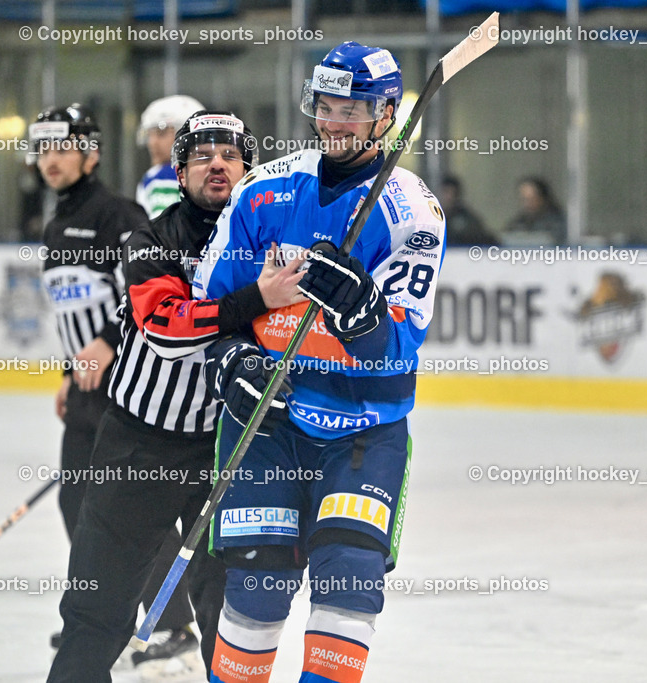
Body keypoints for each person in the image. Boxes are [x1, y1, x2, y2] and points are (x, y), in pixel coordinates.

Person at [192, 41, 445, 683]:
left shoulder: (413, 212)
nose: (334, 121)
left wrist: (362, 316)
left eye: (352, 109)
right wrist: (231, 361)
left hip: (363, 427)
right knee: (257, 586)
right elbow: (212, 304)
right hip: (268, 428)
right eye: (326, 105)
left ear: (386, 115)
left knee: (349, 583)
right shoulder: (264, 191)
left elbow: (398, 347)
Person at [47, 110, 306, 682]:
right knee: (98, 613)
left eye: (231, 155)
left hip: (227, 450)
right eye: (201, 156)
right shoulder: (151, 238)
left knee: (232, 619)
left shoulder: (276, 242)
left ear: (249, 169)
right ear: (180, 172)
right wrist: (256, 299)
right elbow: (166, 329)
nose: (217, 164)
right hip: (140, 448)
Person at [31, 104, 195, 669]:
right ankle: (101, 620)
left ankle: (172, 625)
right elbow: (71, 306)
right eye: (43, 148)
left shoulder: (116, 213)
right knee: (78, 499)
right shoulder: (56, 222)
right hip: (85, 383)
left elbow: (144, 290)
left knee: (130, 508)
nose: (50, 159)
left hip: (126, 380)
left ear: (91, 153)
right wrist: (67, 371)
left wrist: (104, 340)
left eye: (63, 146)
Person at [136, 94, 205, 218]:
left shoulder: (162, 176)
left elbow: (162, 232)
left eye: (161, 133)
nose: (152, 142)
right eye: (150, 135)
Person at [501, 176, 566, 246]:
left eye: (532, 199)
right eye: (524, 199)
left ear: (542, 198)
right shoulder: (518, 224)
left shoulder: (558, 223)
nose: (527, 204)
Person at [439, 174, 498, 247]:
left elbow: (482, 237)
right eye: (445, 192)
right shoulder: (435, 217)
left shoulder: (466, 219)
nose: (448, 197)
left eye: (451, 193)